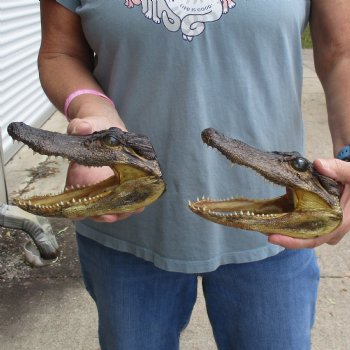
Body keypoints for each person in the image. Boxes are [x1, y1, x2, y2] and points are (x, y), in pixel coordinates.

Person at [38, 1, 350, 349]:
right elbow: (60, 52)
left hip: (278, 225)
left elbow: (341, 53)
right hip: (126, 224)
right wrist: (93, 112)